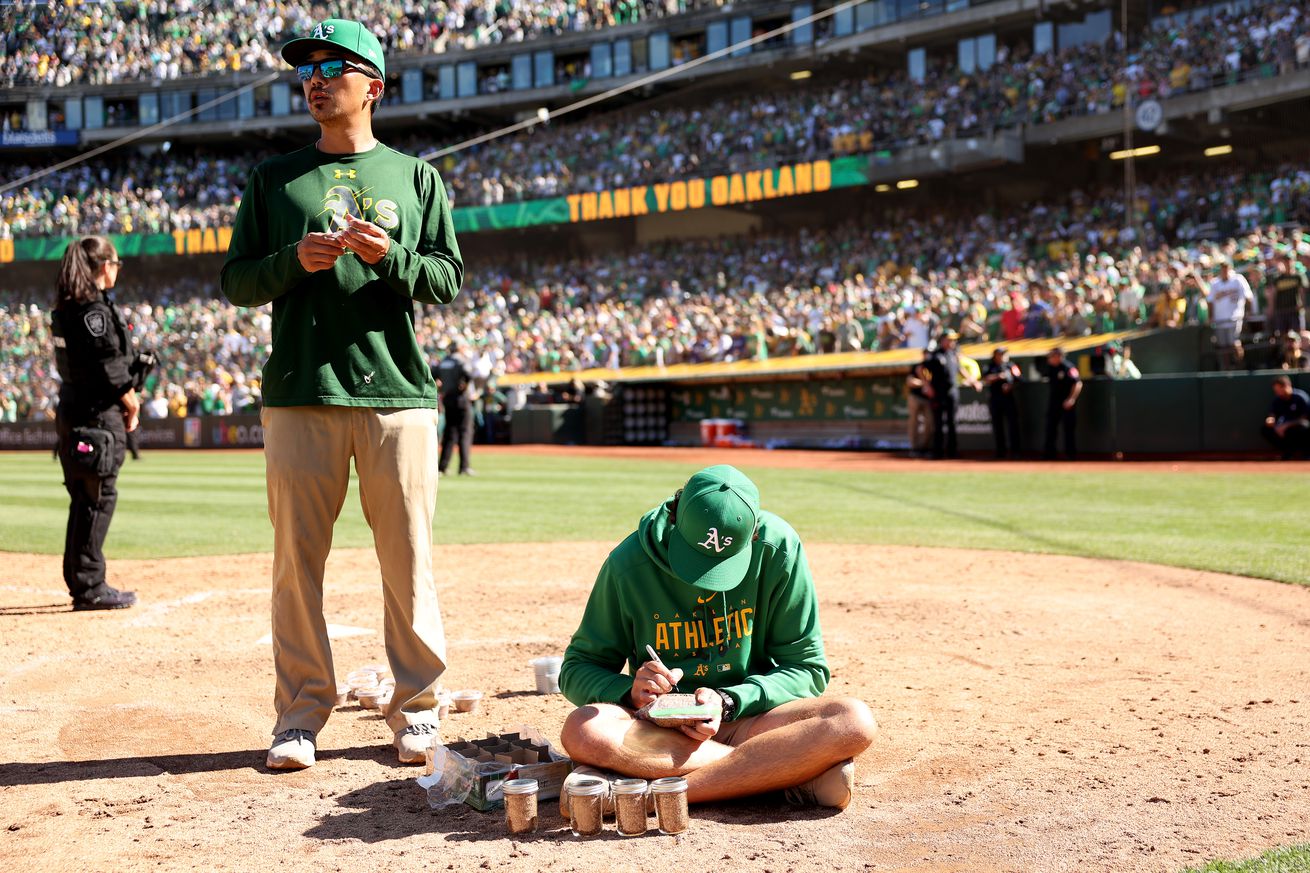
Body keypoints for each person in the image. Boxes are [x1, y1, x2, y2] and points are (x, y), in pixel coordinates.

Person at [219, 18, 464, 771]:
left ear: (373, 85)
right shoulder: (272, 179)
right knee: (297, 562)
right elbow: (235, 282)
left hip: (397, 392)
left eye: (333, 65)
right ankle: (299, 714)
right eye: (307, 68)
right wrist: (292, 259)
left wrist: (393, 258)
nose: (315, 78)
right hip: (299, 389)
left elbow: (448, 280)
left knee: (408, 557)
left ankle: (416, 708)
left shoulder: (417, 177)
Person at [558, 465, 877, 810]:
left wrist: (729, 701)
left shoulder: (779, 548)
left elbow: (806, 669)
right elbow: (577, 669)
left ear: (754, 533)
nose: (704, 578)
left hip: (752, 719)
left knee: (851, 721)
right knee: (583, 729)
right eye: (693, 560)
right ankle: (786, 775)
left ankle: (650, 797)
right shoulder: (628, 563)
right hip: (657, 732)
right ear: (674, 515)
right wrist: (632, 692)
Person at [50, 236, 140, 611]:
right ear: (104, 266)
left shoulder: (68, 306)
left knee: (85, 499)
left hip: (74, 411)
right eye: (116, 263)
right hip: (96, 416)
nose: (117, 270)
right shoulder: (92, 310)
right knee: (97, 498)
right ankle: (89, 586)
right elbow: (108, 364)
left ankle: (81, 578)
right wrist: (131, 402)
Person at [434, 343, 474, 476]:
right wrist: (463, 386)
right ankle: (464, 467)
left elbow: (433, 373)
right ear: (460, 348)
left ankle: (442, 467)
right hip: (461, 399)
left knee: (450, 434)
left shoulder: (444, 361)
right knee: (465, 432)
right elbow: (468, 374)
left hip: (448, 399)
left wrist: (440, 388)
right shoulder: (460, 360)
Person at [1206, 260, 1254, 369]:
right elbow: (1209, 301)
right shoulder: (1215, 283)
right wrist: (1210, 317)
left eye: (1226, 268)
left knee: (1235, 344)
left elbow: (1248, 297)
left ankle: (1239, 366)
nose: (1224, 270)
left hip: (1235, 318)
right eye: (1223, 268)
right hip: (1220, 320)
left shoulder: (1238, 280)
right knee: (1223, 347)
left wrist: (1249, 313)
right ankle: (1226, 368)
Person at [921, 330, 963, 459]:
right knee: (938, 423)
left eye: (954, 340)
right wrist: (927, 386)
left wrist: (972, 380)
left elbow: (960, 369)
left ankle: (952, 452)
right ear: (943, 340)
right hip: (938, 393)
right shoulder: (935, 355)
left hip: (952, 392)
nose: (953, 342)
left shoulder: (954, 354)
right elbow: (921, 369)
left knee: (952, 422)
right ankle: (937, 452)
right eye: (950, 339)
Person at [982, 346, 1021, 458]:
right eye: (1001, 354)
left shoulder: (1011, 365)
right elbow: (986, 378)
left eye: (1004, 354)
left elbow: (1019, 378)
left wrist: (1010, 385)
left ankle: (1015, 452)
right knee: (998, 426)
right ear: (995, 355)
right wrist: (999, 376)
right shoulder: (990, 366)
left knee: (1013, 425)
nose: (1003, 356)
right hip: (995, 399)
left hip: (1009, 399)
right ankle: (1000, 452)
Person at [1043, 346, 1081, 460]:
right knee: (1050, 428)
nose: (1050, 358)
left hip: (1066, 403)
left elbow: (1078, 383)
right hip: (1054, 402)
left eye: (1052, 356)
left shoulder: (1068, 367)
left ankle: (1071, 455)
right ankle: (1049, 455)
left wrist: (1071, 399)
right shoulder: (1050, 368)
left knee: (1068, 429)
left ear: (1059, 356)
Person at [1262, 375, 1310, 459]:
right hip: (1281, 429)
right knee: (1265, 430)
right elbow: (1272, 416)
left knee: (1303, 426)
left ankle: (1305, 453)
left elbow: (1305, 419)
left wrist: (1286, 426)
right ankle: (1288, 453)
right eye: (1276, 391)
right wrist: (1270, 421)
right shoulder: (1277, 400)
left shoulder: (1300, 397)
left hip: (1296, 428)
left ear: (1287, 386)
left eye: (1279, 389)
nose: (1278, 393)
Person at [904, 347, 934, 456]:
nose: (928, 356)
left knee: (929, 424)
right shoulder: (917, 366)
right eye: (926, 354)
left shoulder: (934, 366)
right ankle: (914, 448)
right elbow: (910, 381)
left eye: (930, 354)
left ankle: (925, 448)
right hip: (915, 397)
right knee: (913, 423)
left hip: (928, 400)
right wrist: (925, 384)